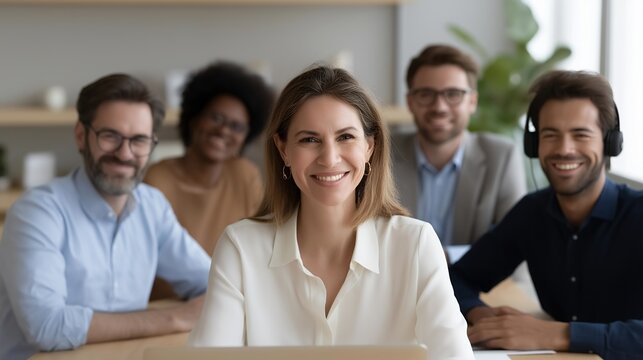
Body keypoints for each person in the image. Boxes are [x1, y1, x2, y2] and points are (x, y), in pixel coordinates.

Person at [188, 65, 474, 359]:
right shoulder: (241, 247)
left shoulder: (415, 244)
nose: (329, 158)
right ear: (283, 149)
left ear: (369, 146)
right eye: (309, 139)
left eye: (345, 137)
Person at [0, 74, 211, 359]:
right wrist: (177, 318)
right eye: (110, 136)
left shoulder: (152, 207)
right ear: (81, 136)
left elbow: (215, 281)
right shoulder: (38, 212)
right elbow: (46, 327)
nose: (125, 154)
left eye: (139, 140)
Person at [449, 70, 643, 359]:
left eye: (581, 135)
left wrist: (557, 333)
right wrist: (481, 315)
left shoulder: (638, 214)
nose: (564, 149)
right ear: (533, 144)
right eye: (550, 135)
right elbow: (456, 278)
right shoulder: (532, 213)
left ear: (610, 143)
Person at [144, 61, 274, 299]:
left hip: (232, 304)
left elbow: (263, 249)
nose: (224, 130)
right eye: (216, 117)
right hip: (168, 309)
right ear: (194, 118)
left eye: (236, 126)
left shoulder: (246, 175)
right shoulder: (158, 178)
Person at [392, 44, 526, 246]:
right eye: (426, 94)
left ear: (472, 102)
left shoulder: (502, 157)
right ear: (410, 102)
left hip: (476, 277)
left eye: (453, 94)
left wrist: (443, 259)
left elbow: (515, 245)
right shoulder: (384, 153)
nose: (439, 107)